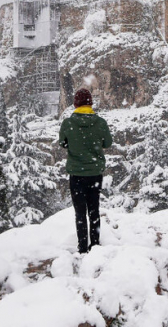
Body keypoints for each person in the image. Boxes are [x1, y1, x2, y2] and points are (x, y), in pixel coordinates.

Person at [59, 88, 113, 254]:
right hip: (94, 174)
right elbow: (107, 143)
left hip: (76, 174)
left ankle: (82, 247)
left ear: (76, 104)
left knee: (80, 213)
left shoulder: (68, 123)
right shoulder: (100, 123)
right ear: (90, 103)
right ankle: (95, 245)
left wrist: (76, 146)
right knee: (94, 210)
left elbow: (63, 143)